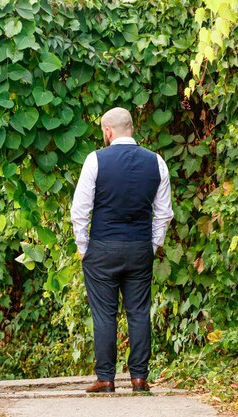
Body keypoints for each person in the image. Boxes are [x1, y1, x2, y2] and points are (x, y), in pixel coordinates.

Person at [70, 107, 174, 393]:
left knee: (104, 314)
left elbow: (80, 210)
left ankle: (106, 378)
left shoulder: (95, 161)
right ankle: (139, 377)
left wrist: (84, 248)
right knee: (139, 311)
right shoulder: (157, 162)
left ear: (107, 131)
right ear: (132, 127)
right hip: (140, 247)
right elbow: (164, 213)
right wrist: (152, 245)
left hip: (102, 248)